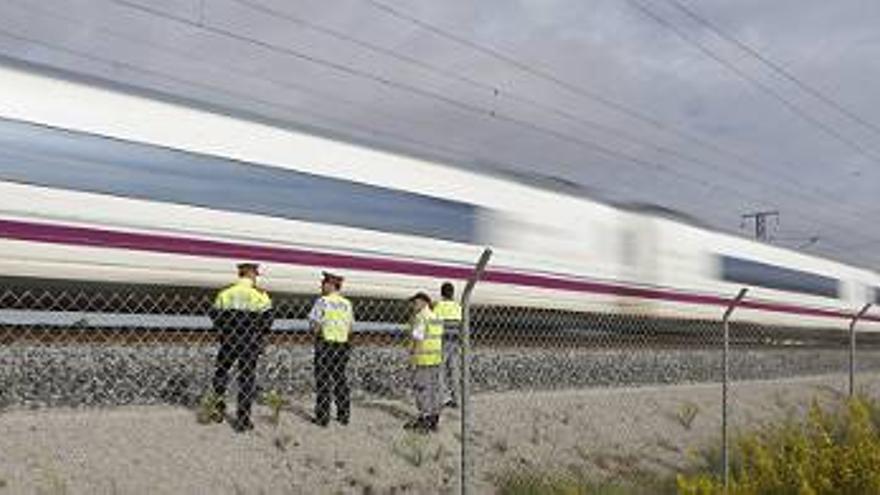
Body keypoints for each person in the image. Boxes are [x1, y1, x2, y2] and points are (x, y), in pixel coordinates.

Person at [209, 262, 273, 432]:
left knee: (221, 372)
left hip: (229, 340)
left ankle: (218, 409)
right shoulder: (260, 295)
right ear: (252, 275)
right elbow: (268, 321)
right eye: (255, 274)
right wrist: (257, 334)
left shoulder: (225, 293)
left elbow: (214, 315)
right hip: (250, 343)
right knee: (246, 379)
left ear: (239, 273)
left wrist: (224, 331)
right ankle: (243, 420)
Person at [309, 271, 354, 427]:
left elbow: (315, 324)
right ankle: (344, 415)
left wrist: (317, 336)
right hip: (342, 345)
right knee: (340, 379)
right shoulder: (347, 304)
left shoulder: (323, 301)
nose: (321, 286)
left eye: (323, 283)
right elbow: (349, 327)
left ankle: (322, 418)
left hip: (325, 344)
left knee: (323, 381)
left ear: (330, 285)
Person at [404, 291, 444, 433]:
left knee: (421, 389)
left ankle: (424, 419)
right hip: (436, 358)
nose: (413, 305)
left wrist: (412, 359)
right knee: (433, 389)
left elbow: (418, 339)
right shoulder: (435, 316)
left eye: (415, 302)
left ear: (423, 302)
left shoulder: (421, 317)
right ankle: (434, 418)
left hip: (423, 359)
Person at [434, 282, 463, 408]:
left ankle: (445, 398)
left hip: (442, 341)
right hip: (455, 342)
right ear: (452, 293)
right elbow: (461, 325)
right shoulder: (458, 306)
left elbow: (434, 324)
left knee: (440, 370)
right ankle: (457, 398)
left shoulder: (438, 306)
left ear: (441, 293)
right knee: (454, 371)